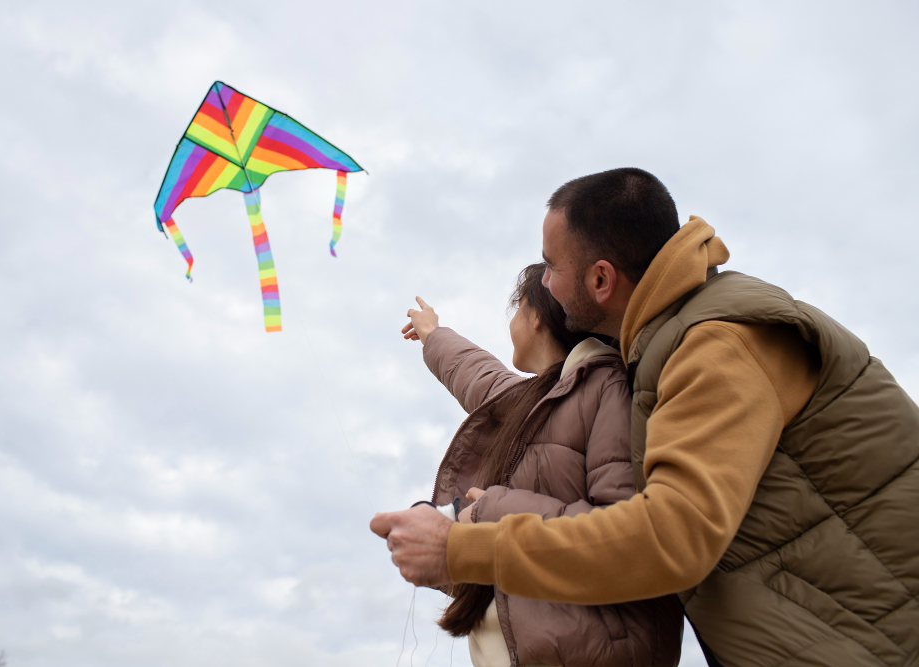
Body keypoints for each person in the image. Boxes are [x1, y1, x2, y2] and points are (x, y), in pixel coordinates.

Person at [372, 168, 919, 667]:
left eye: (553, 267)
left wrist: (461, 546)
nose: (548, 283)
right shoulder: (663, 351)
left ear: (601, 280)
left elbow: (671, 534)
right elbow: (484, 380)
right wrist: (434, 335)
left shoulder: (714, 344)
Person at [401, 263, 682, 667]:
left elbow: (626, 528)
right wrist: (433, 332)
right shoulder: (531, 400)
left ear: (536, 317)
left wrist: (492, 510)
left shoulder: (609, 389)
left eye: (516, 310)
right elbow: (473, 370)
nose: (512, 322)